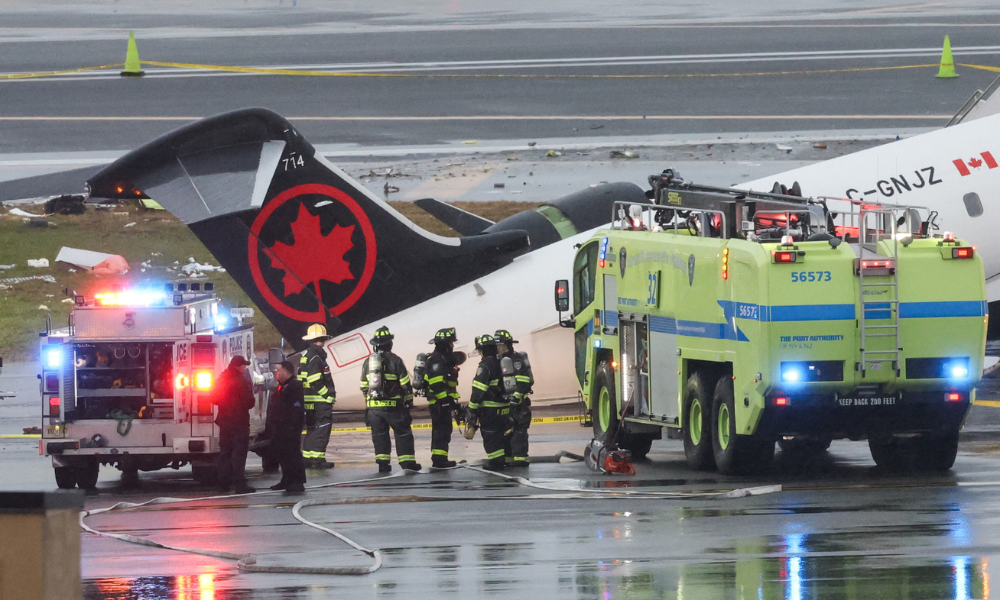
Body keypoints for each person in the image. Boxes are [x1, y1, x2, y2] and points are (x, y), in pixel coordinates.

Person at [360, 326, 421, 473]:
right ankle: (407, 464)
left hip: (374, 409)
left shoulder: (368, 362)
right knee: (403, 434)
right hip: (394, 408)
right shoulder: (396, 360)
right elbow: (405, 384)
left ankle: (383, 464)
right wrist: (409, 401)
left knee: (379, 436)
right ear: (390, 344)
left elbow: (363, 385)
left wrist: (370, 400)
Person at [467, 335, 511, 471]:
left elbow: (478, 390)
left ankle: (496, 462)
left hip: (490, 410)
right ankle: (507, 460)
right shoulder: (502, 363)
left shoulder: (485, 366)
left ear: (483, 350)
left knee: (491, 435)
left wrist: (472, 409)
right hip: (505, 408)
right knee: (503, 435)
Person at [214, 355, 257, 493]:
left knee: (225, 452)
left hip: (224, 421)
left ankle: (223, 483)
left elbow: (212, 397)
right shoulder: (242, 381)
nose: (245, 368)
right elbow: (250, 402)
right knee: (239, 453)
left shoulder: (221, 379)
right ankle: (240, 484)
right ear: (238, 366)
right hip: (239, 422)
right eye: (244, 365)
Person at [298, 324, 336, 469]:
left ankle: (308, 458)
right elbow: (315, 381)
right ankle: (318, 459)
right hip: (320, 401)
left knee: (312, 429)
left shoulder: (306, 356)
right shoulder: (316, 357)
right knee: (322, 428)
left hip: (309, 400)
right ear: (322, 339)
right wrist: (328, 396)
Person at [266, 360, 307, 492]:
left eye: (278, 371)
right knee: (283, 454)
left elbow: (296, 408)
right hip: (279, 427)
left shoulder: (294, 386)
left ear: (286, 371)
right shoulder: (282, 386)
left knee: (293, 454)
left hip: (290, 427)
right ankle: (287, 479)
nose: (276, 373)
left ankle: (297, 481)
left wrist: (292, 426)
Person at [424, 328, 462, 468]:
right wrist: (446, 400)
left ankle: (440, 458)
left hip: (443, 401)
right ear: (445, 344)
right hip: (439, 402)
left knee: (444, 430)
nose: (453, 346)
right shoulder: (436, 359)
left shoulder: (443, 359)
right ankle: (439, 460)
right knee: (441, 430)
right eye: (451, 343)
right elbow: (436, 382)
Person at [495, 329, 534, 467]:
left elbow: (523, 380)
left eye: (499, 345)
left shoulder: (515, 360)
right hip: (506, 403)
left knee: (518, 431)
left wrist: (516, 397)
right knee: (506, 431)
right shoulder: (500, 361)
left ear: (507, 345)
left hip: (518, 404)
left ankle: (520, 459)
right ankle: (509, 459)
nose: (497, 348)